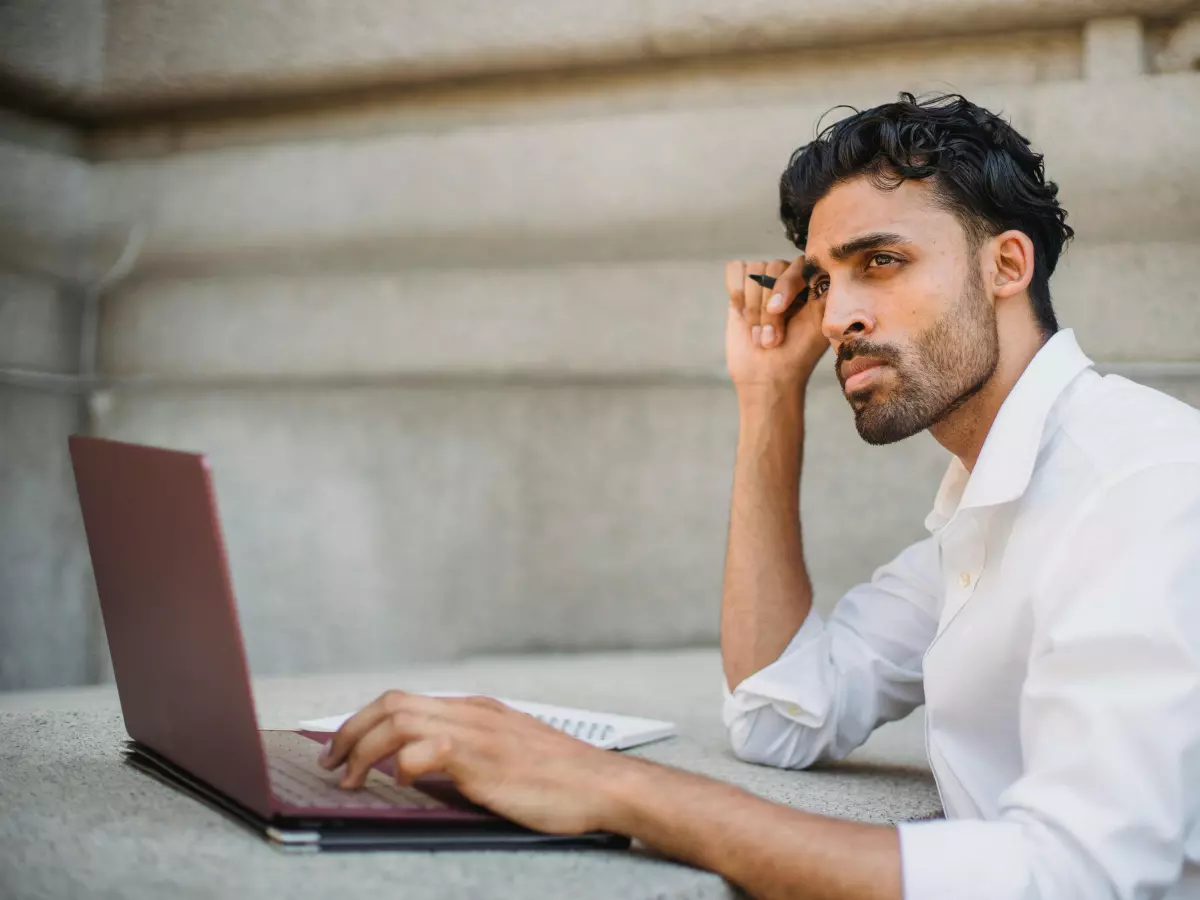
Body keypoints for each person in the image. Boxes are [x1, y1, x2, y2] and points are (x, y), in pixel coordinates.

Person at [319, 93, 1200, 899]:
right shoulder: (991, 502)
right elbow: (782, 711)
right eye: (821, 281)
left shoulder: (1141, 487)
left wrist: (611, 787)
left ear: (1007, 263)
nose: (836, 316)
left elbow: (1086, 876)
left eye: (881, 262)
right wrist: (769, 395)